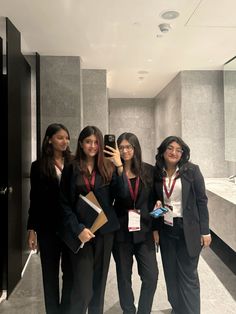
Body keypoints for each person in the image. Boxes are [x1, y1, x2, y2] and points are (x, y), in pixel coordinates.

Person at [59, 125, 120, 314]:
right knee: (83, 290)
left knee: (99, 287)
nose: (92, 146)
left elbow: (123, 195)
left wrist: (119, 165)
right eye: (88, 142)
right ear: (81, 143)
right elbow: (64, 203)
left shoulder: (108, 167)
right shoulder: (71, 167)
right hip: (82, 233)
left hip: (104, 233)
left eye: (96, 142)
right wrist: (78, 229)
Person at [153, 136, 212, 314]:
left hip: (189, 230)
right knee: (171, 274)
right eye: (170, 148)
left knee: (188, 276)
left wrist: (205, 230)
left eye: (179, 150)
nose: (174, 152)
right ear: (163, 151)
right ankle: (177, 309)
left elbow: (202, 201)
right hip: (166, 228)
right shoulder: (157, 173)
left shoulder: (192, 171)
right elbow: (156, 205)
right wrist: (155, 224)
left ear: (183, 153)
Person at [105, 132, 158, 314]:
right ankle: (128, 310)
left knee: (151, 276)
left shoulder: (149, 170)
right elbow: (121, 195)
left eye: (129, 147)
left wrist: (156, 224)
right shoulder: (111, 172)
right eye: (121, 147)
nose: (125, 150)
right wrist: (119, 168)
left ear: (136, 148)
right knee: (124, 277)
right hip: (121, 233)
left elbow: (157, 201)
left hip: (144, 231)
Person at [27, 123, 72, 314]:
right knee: (50, 275)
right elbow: (34, 199)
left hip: (70, 227)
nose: (65, 141)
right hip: (48, 229)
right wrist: (32, 230)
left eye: (67, 137)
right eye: (60, 137)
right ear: (50, 139)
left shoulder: (74, 162)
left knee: (70, 274)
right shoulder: (38, 166)